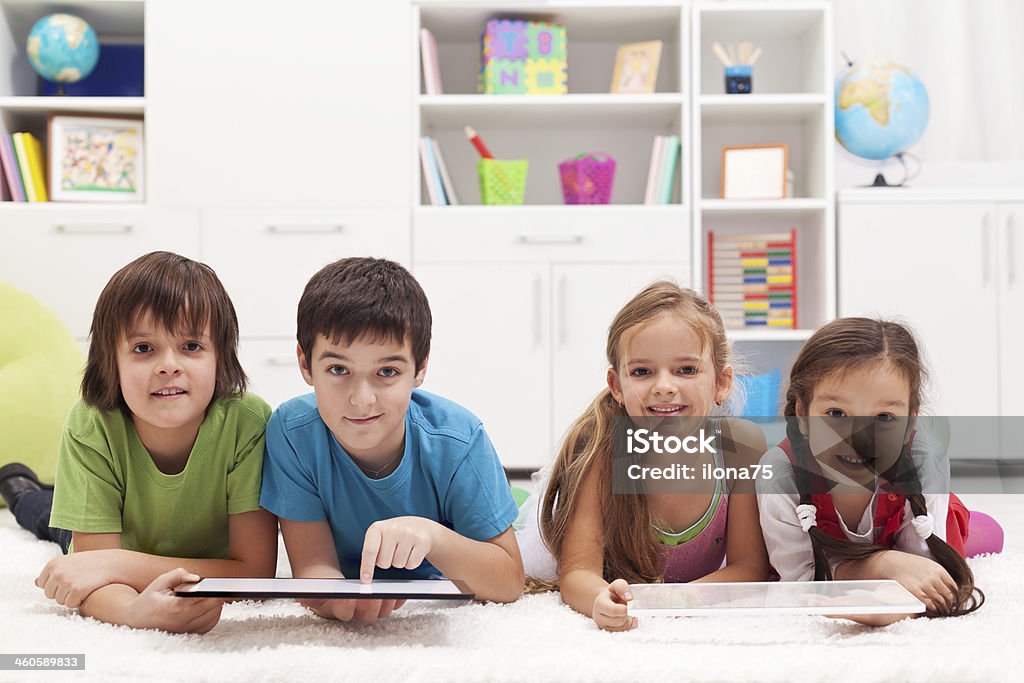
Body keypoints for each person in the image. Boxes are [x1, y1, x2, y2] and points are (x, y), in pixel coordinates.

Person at [0, 251, 277, 633]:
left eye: (192, 346)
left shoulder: (248, 422)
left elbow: (255, 575)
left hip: (122, 551)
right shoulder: (91, 425)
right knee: (44, 515)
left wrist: (118, 564)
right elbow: (90, 574)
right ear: (109, 362)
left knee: (65, 524)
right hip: (114, 531)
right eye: (143, 348)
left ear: (221, 358)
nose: (169, 365)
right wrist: (134, 612)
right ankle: (20, 490)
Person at [259, 257, 524, 624]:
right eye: (338, 369)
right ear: (305, 364)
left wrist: (433, 536)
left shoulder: (459, 439)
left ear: (421, 367)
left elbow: (510, 580)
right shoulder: (291, 432)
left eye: (387, 371)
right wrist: (339, 603)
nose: (362, 398)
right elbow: (313, 566)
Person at [522, 281, 771, 631]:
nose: (664, 386)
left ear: (722, 382)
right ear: (616, 385)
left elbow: (749, 568)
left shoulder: (742, 445)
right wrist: (599, 600)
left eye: (686, 369)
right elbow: (578, 573)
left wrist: (676, 599)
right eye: (642, 372)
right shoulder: (603, 448)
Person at [757, 317, 998, 625]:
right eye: (836, 414)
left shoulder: (924, 457)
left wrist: (894, 606)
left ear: (910, 420)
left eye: (884, 417)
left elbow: (927, 572)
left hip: (922, 518)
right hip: (858, 541)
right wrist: (883, 564)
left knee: (983, 536)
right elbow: (798, 579)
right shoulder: (781, 472)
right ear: (802, 413)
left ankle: (972, 521)